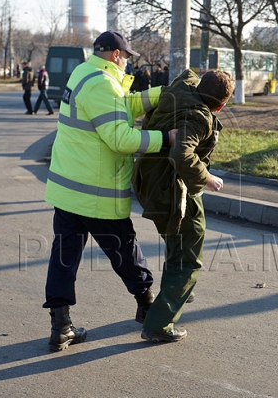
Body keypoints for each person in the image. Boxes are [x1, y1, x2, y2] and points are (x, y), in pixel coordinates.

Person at [43, 30, 177, 352]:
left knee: (63, 259)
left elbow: (122, 106)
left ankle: (61, 327)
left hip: (68, 190)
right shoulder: (103, 84)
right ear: (117, 55)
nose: (128, 62)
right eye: (127, 56)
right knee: (126, 252)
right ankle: (147, 309)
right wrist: (165, 139)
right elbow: (121, 138)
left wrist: (162, 94)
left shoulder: (84, 73)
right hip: (96, 191)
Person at [132, 68, 234, 342]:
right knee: (188, 251)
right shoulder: (199, 117)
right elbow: (182, 153)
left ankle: (175, 294)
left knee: (177, 243)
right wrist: (208, 178)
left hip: (149, 180)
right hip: (171, 190)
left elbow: (187, 75)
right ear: (221, 105)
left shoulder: (181, 89)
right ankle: (159, 324)